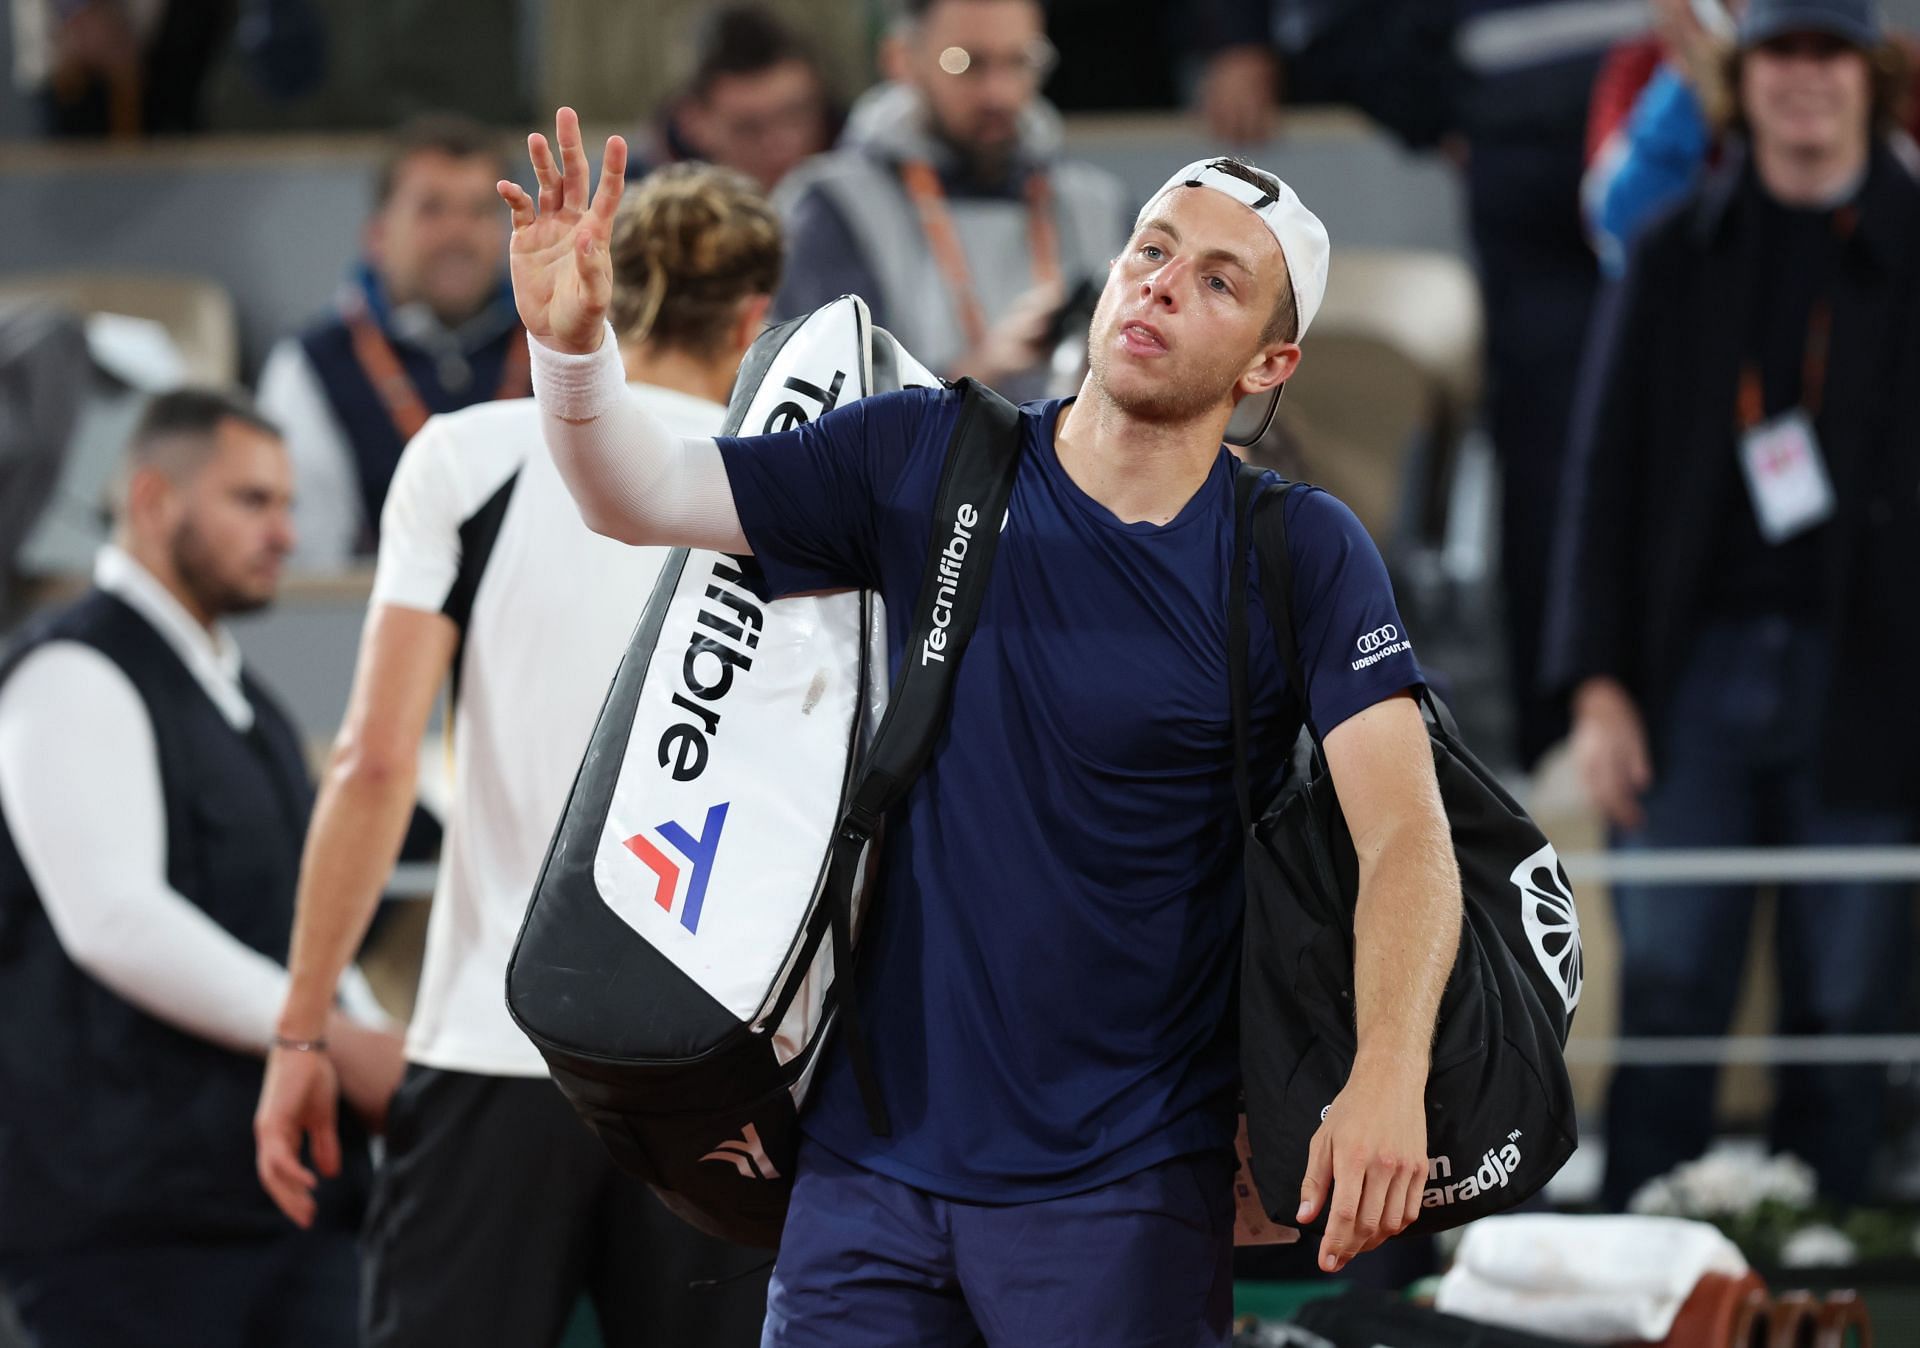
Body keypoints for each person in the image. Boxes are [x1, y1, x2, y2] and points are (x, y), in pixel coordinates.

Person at [500, 108, 1462, 1346]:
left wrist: (1388, 1070)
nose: (1162, 286)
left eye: (1218, 281)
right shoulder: (935, 449)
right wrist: (572, 348)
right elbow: (640, 494)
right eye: (1153, 250)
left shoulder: (1301, 547)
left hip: (1129, 1181)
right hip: (867, 1167)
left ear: (1268, 364)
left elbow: (1404, 836)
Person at [253, 163, 779, 1348]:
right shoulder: (798, 487)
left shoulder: (466, 454)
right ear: (757, 319)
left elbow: (376, 763)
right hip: (711, 1072)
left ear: (605, 278)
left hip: (492, 1050)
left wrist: (302, 1030)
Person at [1546, 0, 1920, 1210]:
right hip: (1687, 673)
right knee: (1668, 989)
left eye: (1828, 57)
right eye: (1781, 57)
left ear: (1870, 78)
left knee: (1850, 998)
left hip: (1881, 677)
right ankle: (1638, 1278)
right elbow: (1600, 481)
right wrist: (1597, 688)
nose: (1804, 83)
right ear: (1741, 79)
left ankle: (1842, 1270)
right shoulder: (1670, 249)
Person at [0, 388, 401, 1348]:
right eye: (251, 502)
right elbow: (112, 919)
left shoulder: (245, 701)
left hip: (287, 1211)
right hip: (136, 1232)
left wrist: (389, 1055)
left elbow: (313, 917)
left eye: (289, 505)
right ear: (153, 501)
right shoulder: (71, 670)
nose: (285, 534)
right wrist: (331, 1041)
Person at [770, 0, 1128, 402]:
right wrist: (976, 372)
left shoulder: (1099, 204)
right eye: (966, 63)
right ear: (901, 59)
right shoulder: (833, 209)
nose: (998, 92)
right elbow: (821, 415)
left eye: (1021, 60)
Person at [258, 115, 526, 569]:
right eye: (432, 209)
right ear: (377, 235)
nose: (458, 234)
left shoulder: (561, 352)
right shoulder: (313, 367)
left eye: (480, 211)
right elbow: (314, 574)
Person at [637, 4, 838, 193]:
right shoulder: (626, 205)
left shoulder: (859, 169)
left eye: (796, 116)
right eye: (749, 129)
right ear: (692, 124)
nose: (782, 147)